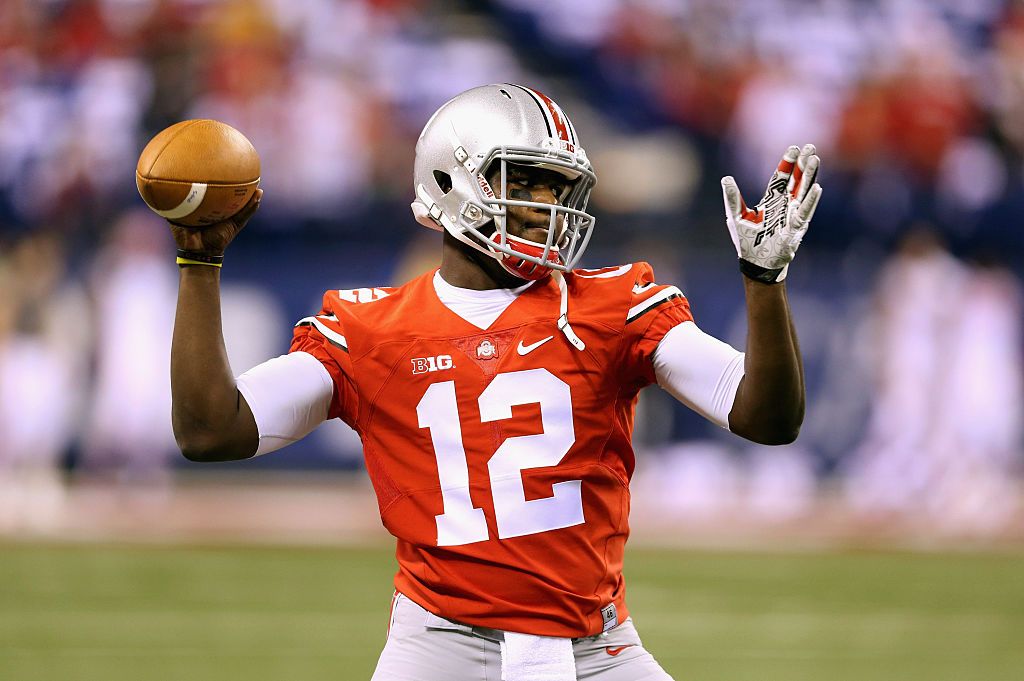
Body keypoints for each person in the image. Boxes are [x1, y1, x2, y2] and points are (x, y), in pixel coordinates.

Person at [168, 84, 820, 681]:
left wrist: (765, 286)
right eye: (527, 183)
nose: (546, 206)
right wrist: (201, 261)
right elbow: (211, 431)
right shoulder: (370, 327)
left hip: (595, 648)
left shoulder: (614, 305)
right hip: (438, 648)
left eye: (557, 188)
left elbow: (767, 417)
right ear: (451, 181)